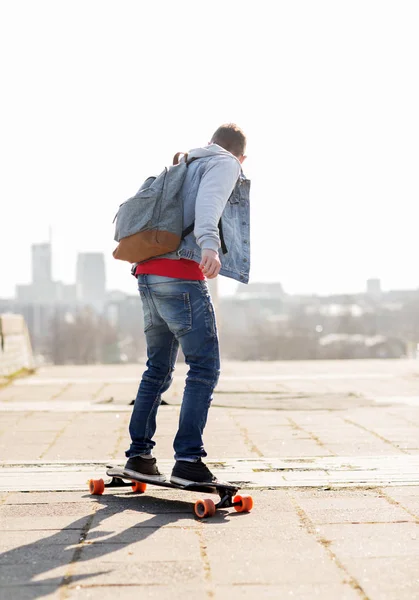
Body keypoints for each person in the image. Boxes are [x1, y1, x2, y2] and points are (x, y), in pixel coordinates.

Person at [125, 123, 250, 484]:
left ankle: (139, 456)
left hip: (148, 272)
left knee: (158, 369)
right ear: (241, 156)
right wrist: (210, 244)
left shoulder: (185, 161)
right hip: (180, 274)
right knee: (204, 367)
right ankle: (188, 460)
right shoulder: (226, 163)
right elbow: (209, 204)